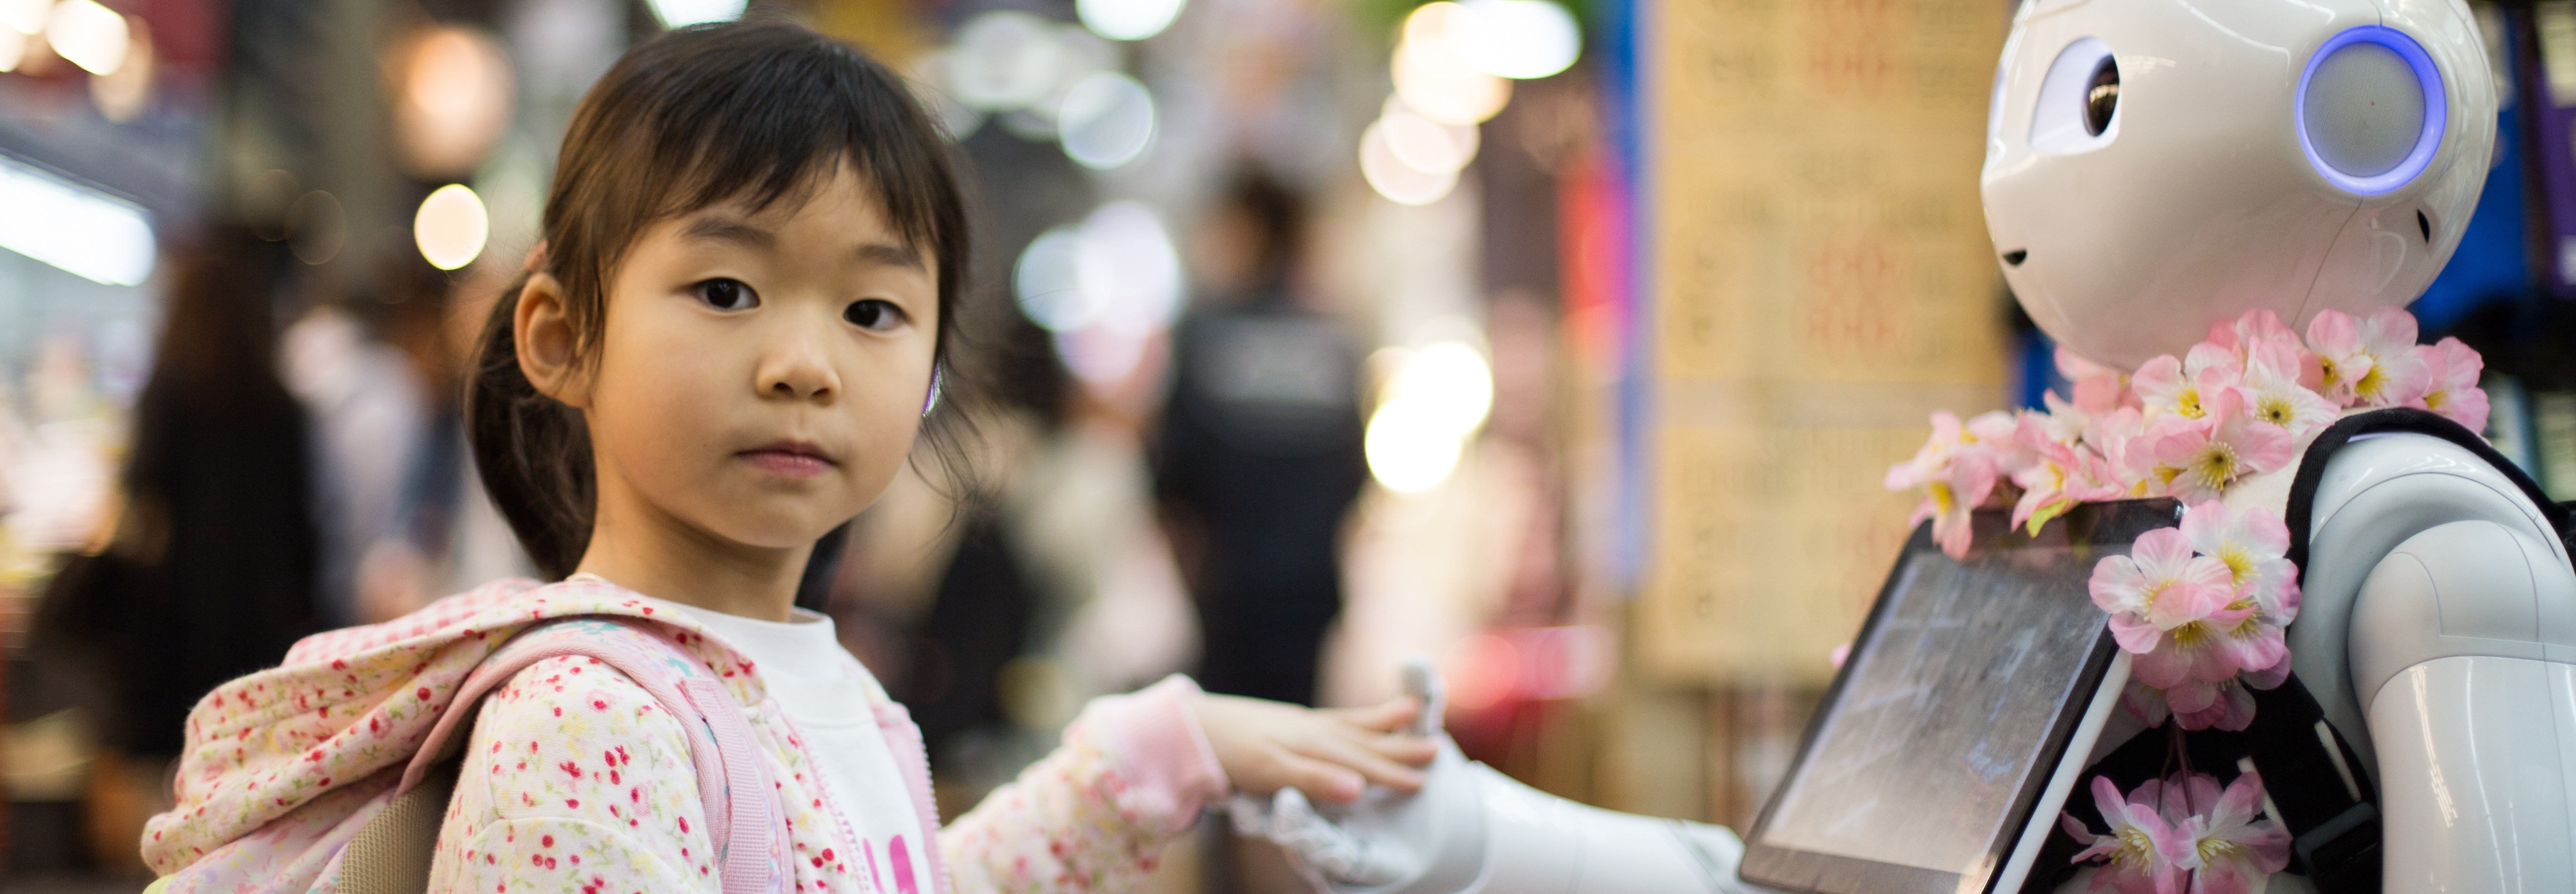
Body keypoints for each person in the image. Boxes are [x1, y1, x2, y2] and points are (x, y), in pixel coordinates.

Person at [141, 21, 1431, 894]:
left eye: (871, 309)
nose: (804, 363)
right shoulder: (587, 721)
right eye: (725, 289)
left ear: (930, 370)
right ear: (561, 337)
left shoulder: (814, 685)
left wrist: (1163, 749)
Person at [1157, 172, 1368, 707]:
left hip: (1231, 595)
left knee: (1231, 740)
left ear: (1250, 230)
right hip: (1312, 591)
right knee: (1299, 734)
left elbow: (1172, 476)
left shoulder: (1207, 337)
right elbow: (1355, 479)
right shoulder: (1334, 342)